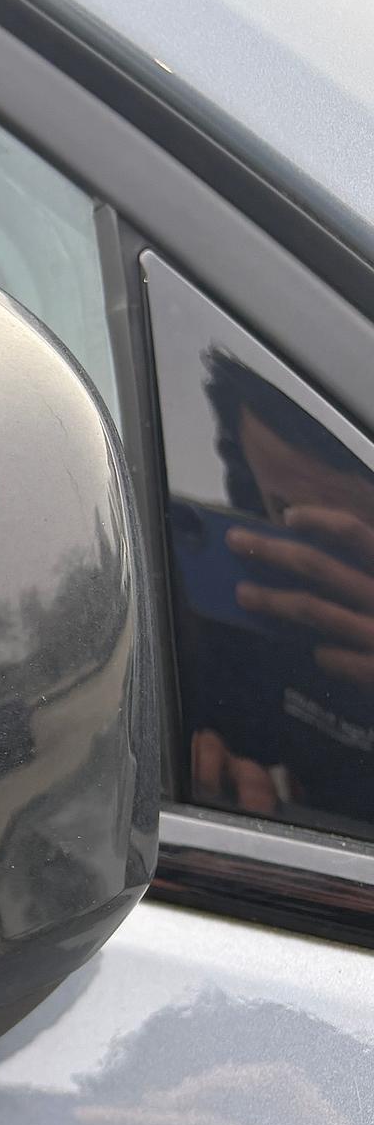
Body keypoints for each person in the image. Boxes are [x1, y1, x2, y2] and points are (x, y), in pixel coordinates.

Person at [185, 348, 374, 827]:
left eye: (357, 542)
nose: (324, 572)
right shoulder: (210, 616)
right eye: (288, 518)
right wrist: (221, 777)